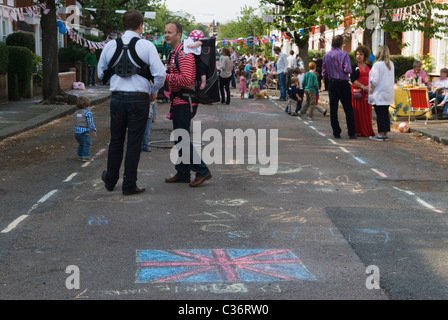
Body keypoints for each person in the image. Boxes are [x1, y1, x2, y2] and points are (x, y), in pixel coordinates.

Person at [97, 10, 166, 195]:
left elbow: (100, 73)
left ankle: (110, 180)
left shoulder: (110, 45)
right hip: (139, 99)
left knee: (116, 140)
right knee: (134, 143)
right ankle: (129, 185)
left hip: (117, 98)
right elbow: (160, 74)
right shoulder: (147, 46)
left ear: (123, 25)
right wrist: (153, 92)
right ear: (141, 25)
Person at [164, 21, 212, 187]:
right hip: (179, 100)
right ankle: (183, 172)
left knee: (181, 138)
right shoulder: (175, 52)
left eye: (170, 32)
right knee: (180, 137)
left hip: (184, 100)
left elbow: (186, 80)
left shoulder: (184, 54)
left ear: (179, 35)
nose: (166, 35)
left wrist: (165, 76)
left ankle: (202, 171)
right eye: (165, 32)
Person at [322, 35, 357, 139]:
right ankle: (351, 132)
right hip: (343, 83)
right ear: (341, 43)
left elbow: (323, 72)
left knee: (333, 109)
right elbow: (348, 70)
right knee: (348, 108)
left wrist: (330, 75)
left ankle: (336, 132)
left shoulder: (326, 56)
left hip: (332, 83)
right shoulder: (344, 54)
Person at [368, 45, 395, 141]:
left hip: (379, 93)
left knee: (379, 114)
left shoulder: (377, 65)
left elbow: (375, 80)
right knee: (385, 113)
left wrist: (371, 89)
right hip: (388, 93)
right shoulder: (391, 64)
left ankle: (380, 134)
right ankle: (385, 133)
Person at [350, 45, 375, 137]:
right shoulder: (354, 66)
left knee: (367, 111)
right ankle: (357, 130)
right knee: (357, 111)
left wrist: (369, 86)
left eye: (360, 54)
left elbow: (374, 78)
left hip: (367, 92)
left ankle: (367, 130)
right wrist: (362, 86)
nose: (358, 56)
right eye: (357, 54)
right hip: (357, 91)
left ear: (365, 56)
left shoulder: (370, 66)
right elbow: (352, 79)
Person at [74, 96, 97, 161]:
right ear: (87, 104)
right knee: (87, 143)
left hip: (76, 131)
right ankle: (86, 157)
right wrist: (94, 129)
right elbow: (90, 122)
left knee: (81, 143)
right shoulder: (87, 113)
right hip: (83, 131)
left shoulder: (76, 113)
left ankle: (80, 155)